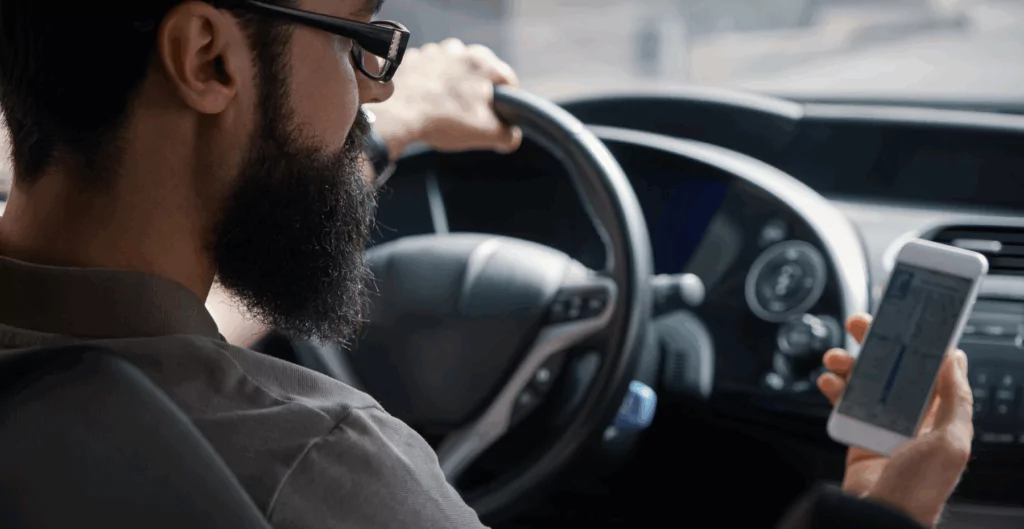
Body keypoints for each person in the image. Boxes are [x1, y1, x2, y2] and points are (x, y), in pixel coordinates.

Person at [0, 1, 972, 528]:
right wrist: (877, 517)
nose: (363, 97)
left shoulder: (71, 386)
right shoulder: (315, 463)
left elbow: (158, 339)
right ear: (208, 59)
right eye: (358, 47)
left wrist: (390, 124)